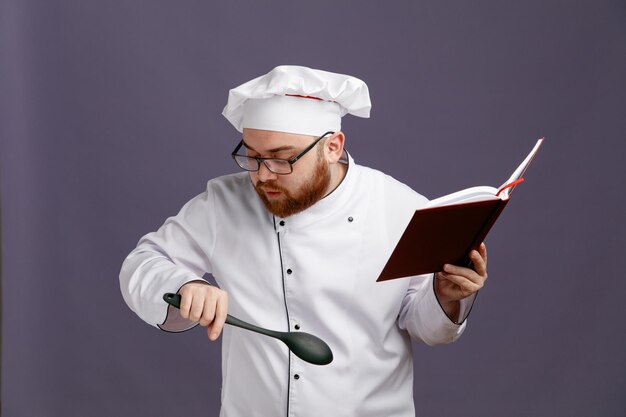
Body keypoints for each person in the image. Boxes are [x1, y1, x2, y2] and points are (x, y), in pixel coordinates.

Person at [120, 65, 488, 417]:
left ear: (332, 147)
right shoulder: (223, 203)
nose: (263, 175)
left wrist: (445, 296)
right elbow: (143, 262)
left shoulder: (401, 207)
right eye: (252, 156)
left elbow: (425, 327)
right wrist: (185, 284)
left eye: (282, 159)